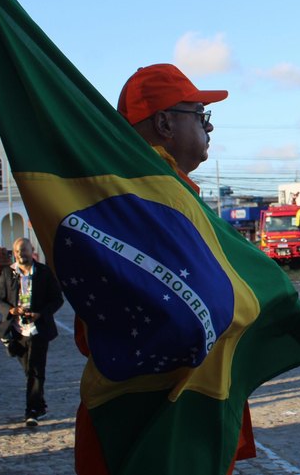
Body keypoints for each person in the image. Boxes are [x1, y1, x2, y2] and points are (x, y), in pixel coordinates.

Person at [88, 63, 255, 473]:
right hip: (160, 415)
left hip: (171, 409)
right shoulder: (150, 203)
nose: (209, 129)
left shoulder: (154, 193)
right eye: (200, 115)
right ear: (164, 122)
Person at [0, 238, 63, 426]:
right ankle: (39, 405)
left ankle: (31, 411)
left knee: (35, 369)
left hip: (38, 330)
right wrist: (11, 310)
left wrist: (40, 314)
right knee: (29, 370)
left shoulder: (44, 273)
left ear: (31, 250)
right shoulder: (8, 273)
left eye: (23, 251)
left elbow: (57, 300)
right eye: (16, 251)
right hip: (16, 331)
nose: (20, 255)